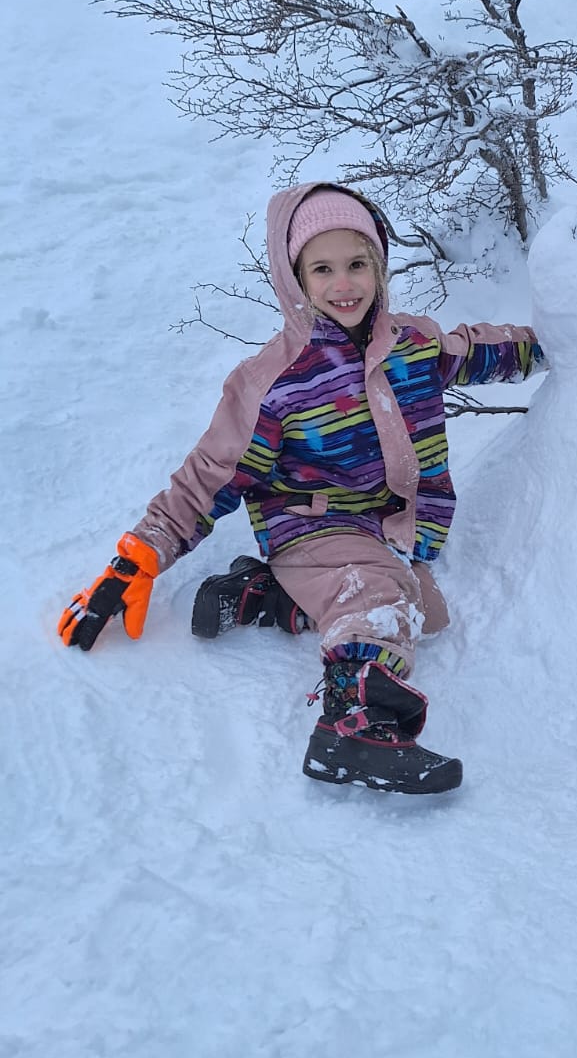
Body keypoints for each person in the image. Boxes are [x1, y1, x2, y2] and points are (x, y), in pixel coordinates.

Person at [60, 183, 544, 796]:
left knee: (428, 613)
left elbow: (479, 351)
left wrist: (565, 339)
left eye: (357, 264)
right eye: (322, 269)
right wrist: (141, 555)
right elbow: (211, 473)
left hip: (384, 527)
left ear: (379, 267)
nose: (344, 284)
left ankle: (268, 598)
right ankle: (353, 722)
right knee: (379, 597)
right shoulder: (273, 382)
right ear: (295, 279)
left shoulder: (415, 346)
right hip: (309, 524)